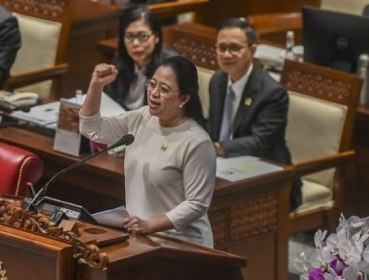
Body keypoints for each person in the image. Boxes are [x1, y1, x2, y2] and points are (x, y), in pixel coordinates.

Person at [80, 56, 216, 247]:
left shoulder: (196, 141)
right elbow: (93, 129)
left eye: (164, 89)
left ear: (183, 99)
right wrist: (96, 86)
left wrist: (151, 225)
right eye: (152, 84)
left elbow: (197, 203)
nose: (153, 93)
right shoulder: (142, 118)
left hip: (181, 244)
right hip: (141, 238)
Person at [208, 17, 302, 210]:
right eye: (221, 47)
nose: (226, 54)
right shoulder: (218, 80)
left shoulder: (271, 92)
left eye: (234, 48)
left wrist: (217, 148)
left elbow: (260, 142)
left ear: (252, 50)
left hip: (268, 178)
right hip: (223, 170)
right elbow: (213, 126)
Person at [104, 6, 177, 111]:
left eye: (143, 36)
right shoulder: (121, 57)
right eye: (129, 36)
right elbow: (112, 97)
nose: (135, 44)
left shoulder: (171, 67)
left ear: (156, 37)